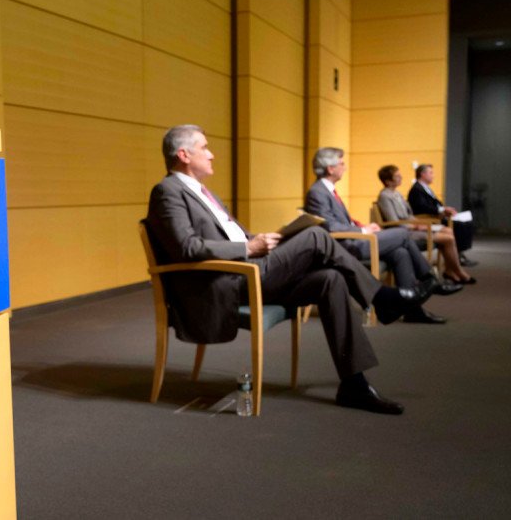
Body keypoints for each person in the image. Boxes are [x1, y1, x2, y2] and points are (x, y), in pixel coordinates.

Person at [147, 125, 433, 415]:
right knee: (318, 237)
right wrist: (249, 248)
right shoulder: (167, 192)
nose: (212, 154)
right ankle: (381, 298)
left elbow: (231, 235)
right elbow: (186, 248)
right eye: (205, 148)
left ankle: (353, 384)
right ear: (184, 154)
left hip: (249, 268)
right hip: (228, 280)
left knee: (330, 279)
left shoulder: (204, 192)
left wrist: (266, 239)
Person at [304, 147, 461, 325]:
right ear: (330, 169)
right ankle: (429, 278)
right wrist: (364, 231)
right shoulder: (317, 192)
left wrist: (363, 226)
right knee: (402, 234)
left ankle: (413, 310)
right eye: (341, 163)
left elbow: (339, 220)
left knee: (400, 252)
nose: (344, 167)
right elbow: (329, 227)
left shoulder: (328, 191)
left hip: (354, 239)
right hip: (346, 247)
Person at [377, 165, 475, 284]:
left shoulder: (397, 194)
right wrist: (417, 226)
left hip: (412, 226)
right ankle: (457, 271)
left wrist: (420, 224)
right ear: (388, 181)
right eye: (397, 176)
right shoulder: (384, 196)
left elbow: (409, 215)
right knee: (447, 238)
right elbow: (393, 222)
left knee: (447, 230)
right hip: (405, 231)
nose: (401, 177)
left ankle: (451, 270)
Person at [408, 163, 477, 267]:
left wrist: (444, 209)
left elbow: (436, 203)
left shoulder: (426, 188)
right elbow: (422, 207)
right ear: (422, 174)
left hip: (435, 216)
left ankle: (459, 253)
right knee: (458, 226)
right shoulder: (416, 189)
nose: (433, 175)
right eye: (430, 173)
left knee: (465, 223)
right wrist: (441, 210)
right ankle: (458, 255)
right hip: (427, 219)